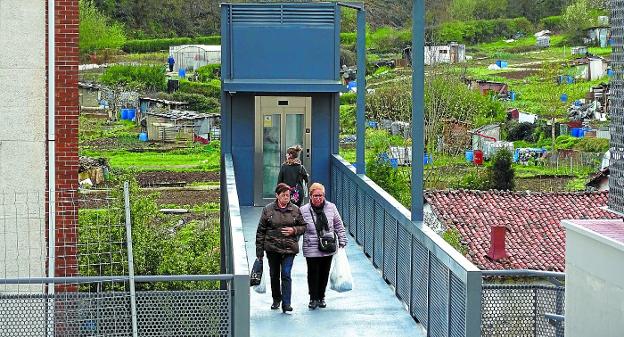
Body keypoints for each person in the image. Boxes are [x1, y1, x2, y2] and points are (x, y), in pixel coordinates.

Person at [255, 183, 306, 313]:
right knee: (274, 274)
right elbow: (261, 231)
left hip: (289, 248)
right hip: (272, 248)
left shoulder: (295, 209)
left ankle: (287, 303)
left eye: (288, 195)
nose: (286, 197)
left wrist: (294, 230)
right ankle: (276, 299)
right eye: (283, 195)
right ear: (277, 195)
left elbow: (303, 227)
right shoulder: (268, 209)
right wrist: (259, 252)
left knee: (286, 273)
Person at [300, 182, 347, 309]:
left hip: (328, 245)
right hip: (311, 246)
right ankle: (313, 298)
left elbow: (338, 225)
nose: (318, 198)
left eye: (320, 195)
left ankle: (321, 297)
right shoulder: (303, 210)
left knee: (324, 272)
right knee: (313, 272)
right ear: (310, 196)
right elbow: (299, 228)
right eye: (315, 195)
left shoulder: (331, 207)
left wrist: (342, 240)